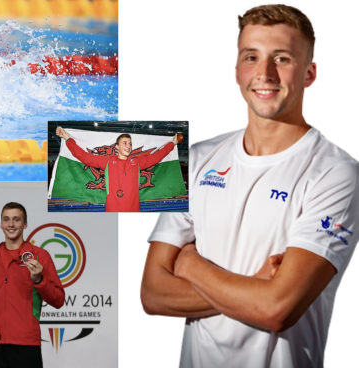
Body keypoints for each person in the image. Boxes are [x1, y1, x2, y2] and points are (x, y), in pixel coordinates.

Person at [141, 4, 359, 368]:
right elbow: (152, 293)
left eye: (283, 59)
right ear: (237, 70)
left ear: (309, 73)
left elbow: (276, 309)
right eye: (251, 57)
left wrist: (190, 264)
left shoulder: (336, 174)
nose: (265, 73)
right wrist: (254, 285)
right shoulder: (195, 159)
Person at [0, 202, 65, 368]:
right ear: (1, 224)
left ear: (25, 224)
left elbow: (58, 300)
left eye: (16, 220)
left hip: (26, 343)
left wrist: (39, 280)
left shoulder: (40, 256)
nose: (11, 224)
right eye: (7, 219)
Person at [56, 126, 181, 212]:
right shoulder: (108, 161)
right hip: (112, 211)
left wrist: (172, 143)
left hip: (133, 211)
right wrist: (67, 138)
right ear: (117, 147)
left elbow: (156, 157)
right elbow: (84, 156)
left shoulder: (136, 162)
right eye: (125, 143)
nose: (128, 146)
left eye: (130, 143)